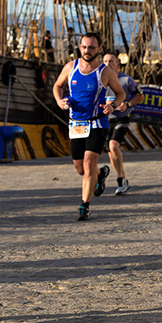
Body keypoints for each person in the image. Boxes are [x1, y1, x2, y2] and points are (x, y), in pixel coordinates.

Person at [52, 33, 125, 221]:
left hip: (97, 123)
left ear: (99, 49)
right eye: (84, 47)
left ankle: (85, 205)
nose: (87, 51)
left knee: (88, 163)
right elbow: (57, 86)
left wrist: (113, 106)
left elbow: (120, 94)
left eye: (91, 47)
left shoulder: (105, 72)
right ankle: (101, 174)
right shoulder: (71, 67)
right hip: (76, 124)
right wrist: (60, 100)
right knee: (80, 168)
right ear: (80, 47)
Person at [102, 53, 144, 194]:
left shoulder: (126, 80)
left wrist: (127, 104)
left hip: (121, 118)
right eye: (105, 61)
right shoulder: (100, 80)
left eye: (111, 61)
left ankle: (120, 180)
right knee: (110, 151)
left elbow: (140, 96)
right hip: (105, 119)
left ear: (117, 64)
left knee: (113, 146)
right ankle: (122, 178)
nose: (108, 64)